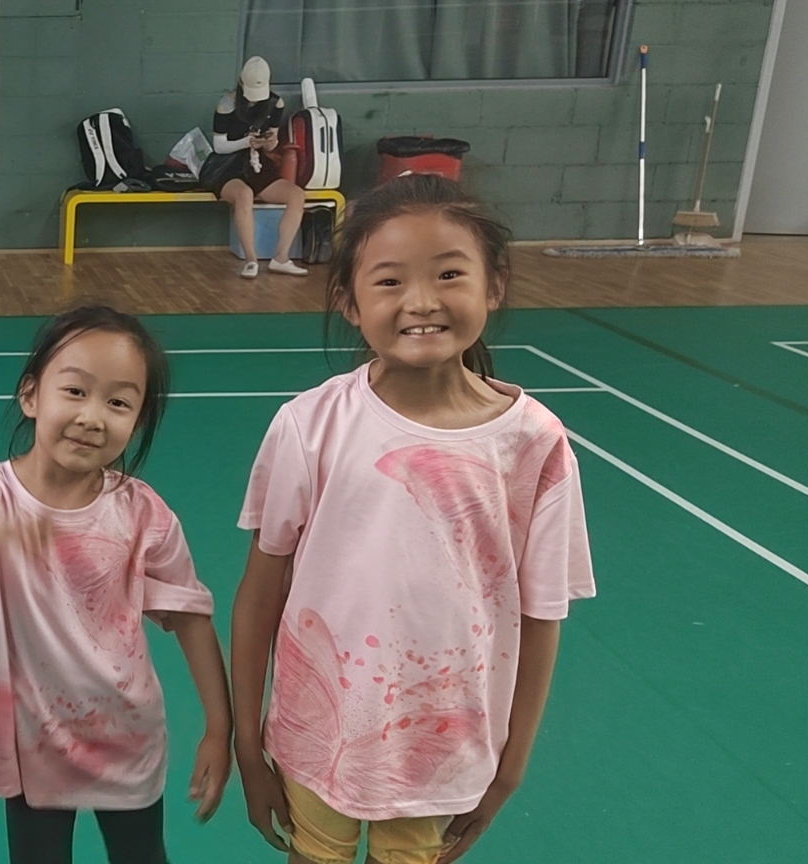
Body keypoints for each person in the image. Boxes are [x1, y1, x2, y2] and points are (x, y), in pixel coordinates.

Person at [230, 175, 596, 864]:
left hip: (443, 751)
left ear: (494, 285)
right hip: (317, 737)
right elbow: (260, 592)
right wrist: (246, 744)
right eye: (390, 281)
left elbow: (542, 615)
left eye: (449, 274)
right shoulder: (309, 426)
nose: (421, 301)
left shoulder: (534, 445)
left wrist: (511, 764)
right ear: (350, 301)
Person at [0, 306, 232, 864]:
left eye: (118, 403)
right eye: (75, 391)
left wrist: (219, 726)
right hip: (32, 739)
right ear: (31, 395)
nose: (92, 417)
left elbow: (190, 618)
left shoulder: (141, 513)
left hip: (127, 734)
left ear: (138, 420)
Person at [211, 57, 309, 279]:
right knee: (244, 194)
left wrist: (269, 142)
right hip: (228, 166)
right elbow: (219, 145)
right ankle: (251, 259)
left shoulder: (275, 103)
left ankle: (281, 257)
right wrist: (246, 142)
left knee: (296, 195)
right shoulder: (226, 105)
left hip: (257, 163)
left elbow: (272, 141)